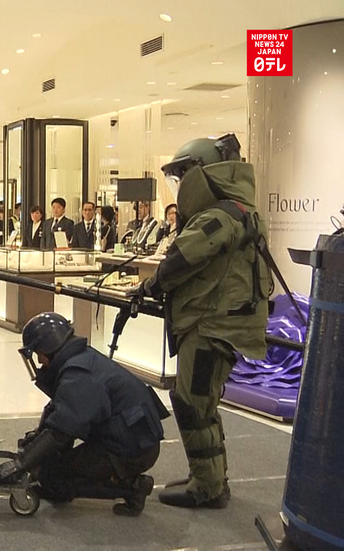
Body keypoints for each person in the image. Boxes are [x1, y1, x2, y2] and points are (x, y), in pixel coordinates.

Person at [128, 134, 271, 509]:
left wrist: (151, 284)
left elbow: (183, 259)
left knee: (192, 402)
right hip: (216, 322)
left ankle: (207, 487)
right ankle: (209, 478)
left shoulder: (219, 216)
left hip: (213, 325)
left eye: (181, 177)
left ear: (199, 173)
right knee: (200, 401)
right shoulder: (239, 209)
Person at [0, 313, 166, 517]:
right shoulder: (79, 360)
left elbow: (60, 434)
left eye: (39, 353)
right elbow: (59, 409)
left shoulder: (77, 375)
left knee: (52, 477)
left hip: (131, 449)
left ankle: (132, 488)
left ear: (49, 348)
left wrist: (21, 463)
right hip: (131, 438)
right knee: (50, 461)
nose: (39, 361)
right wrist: (37, 439)